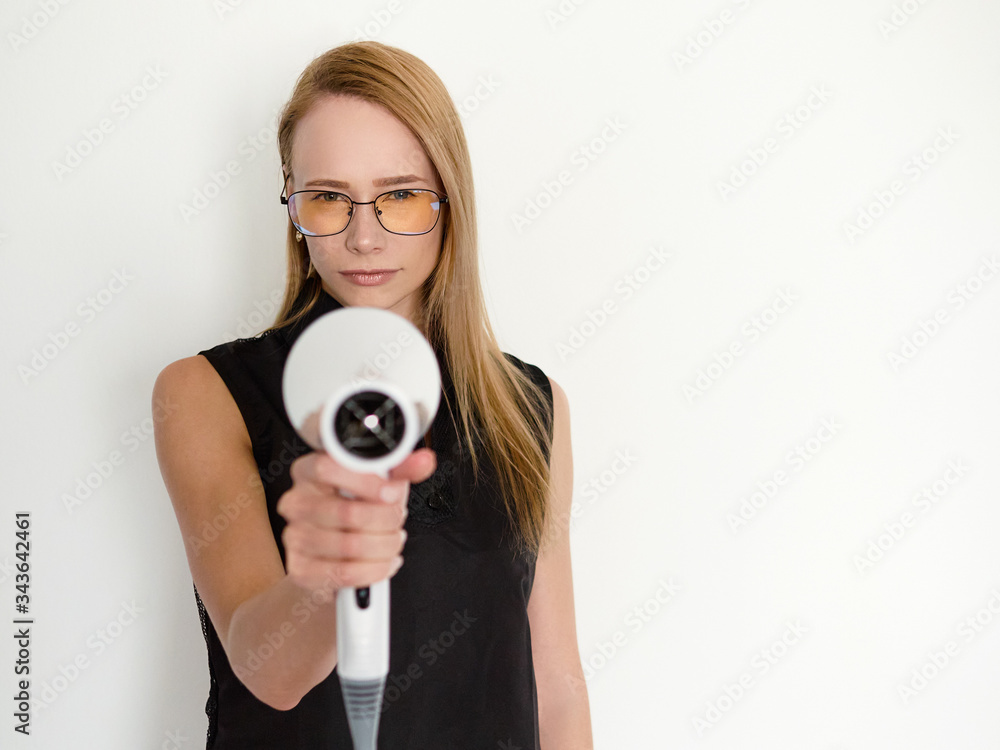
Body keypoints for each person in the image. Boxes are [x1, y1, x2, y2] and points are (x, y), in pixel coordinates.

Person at [153, 40, 592, 749]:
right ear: (290, 200)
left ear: (451, 199)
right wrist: (324, 580)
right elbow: (268, 672)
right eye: (328, 198)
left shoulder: (531, 406)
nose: (363, 236)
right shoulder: (207, 391)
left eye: (401, 195)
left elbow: (559, 688)